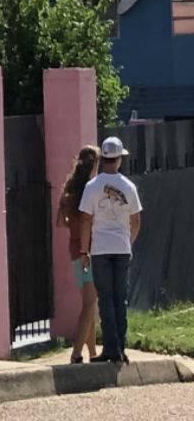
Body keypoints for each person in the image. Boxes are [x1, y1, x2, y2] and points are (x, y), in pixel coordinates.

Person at [78, 136, 143, 364]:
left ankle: (110, 348)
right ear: (119, 160)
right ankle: (120, 348)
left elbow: (85, 219)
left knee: (105, 298)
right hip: (122, 248)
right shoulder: (129, 186)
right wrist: (128, 242)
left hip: (100, 249)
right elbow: (136, 220)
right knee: (120, 298)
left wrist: (84, 251)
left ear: (103, 159)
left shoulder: (91, 187)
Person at [56, 145, 99, 364]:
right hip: (87, 251)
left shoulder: (69, 191)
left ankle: (92, 352)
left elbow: (60, 222)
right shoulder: (89, 191)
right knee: (90, 304)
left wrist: (72, 226)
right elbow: (87, 221)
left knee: (89, 302)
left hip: (74, 251)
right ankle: (76, 353)